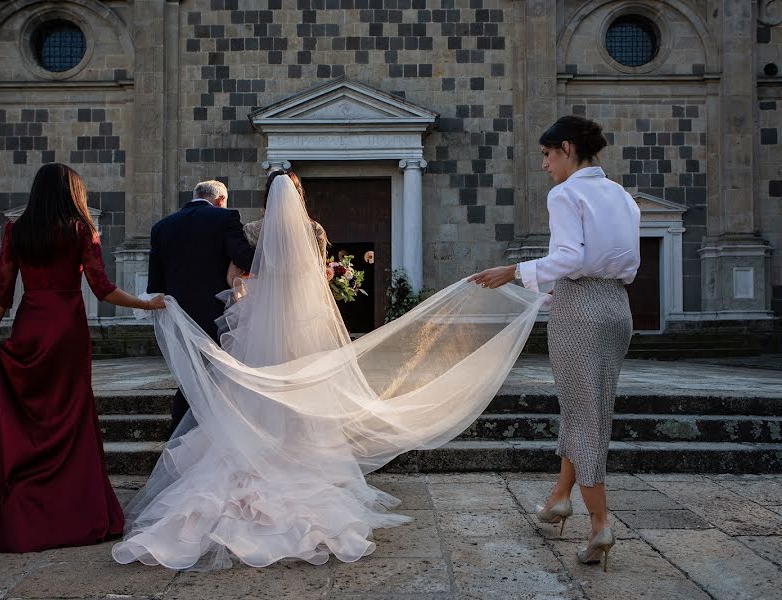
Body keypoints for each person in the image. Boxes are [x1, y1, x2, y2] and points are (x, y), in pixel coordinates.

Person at [111, 172, 546, 570]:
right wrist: (330, 275)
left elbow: (237, 277)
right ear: (301, 197)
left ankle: (248, 464)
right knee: (303, 394)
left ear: (266, 198)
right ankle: (301, 462)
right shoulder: (314, 230)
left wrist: (247, 304)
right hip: (301, 330)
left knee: (252, 396)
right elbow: (317, 281)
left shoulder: (249, 231)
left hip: (259, 330)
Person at [0, 163, 164, 553]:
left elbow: (3, 287)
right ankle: (70, 507)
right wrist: (146, 303)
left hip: (30, 323)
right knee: (69, 415)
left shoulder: (16, 230)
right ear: (73, 194)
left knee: (28, 413)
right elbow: (102, 288)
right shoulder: (81, 230)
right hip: (67, 331)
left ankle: (14, 495)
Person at [469, 115, 640, 571]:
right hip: (617, 309)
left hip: (580, 311)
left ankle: (600, 522)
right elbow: (621, 261)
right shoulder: (622, 195)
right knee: (586, 407)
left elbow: (570, 257)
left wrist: (512, 271)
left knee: (585, 415)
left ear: (566, 149)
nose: (544, 165)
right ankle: (560, 497)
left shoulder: (566, 193)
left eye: (546, 155)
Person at [147, 179, 255, 431]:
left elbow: (155, 283)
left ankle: (180, 433)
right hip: (217, 314)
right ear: (220, 200)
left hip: (178, 317)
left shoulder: (162, 227)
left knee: (190, 378)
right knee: (220, 375)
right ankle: (217, 434)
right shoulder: (225, 218)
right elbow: (243, 258)